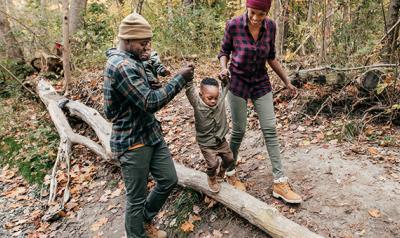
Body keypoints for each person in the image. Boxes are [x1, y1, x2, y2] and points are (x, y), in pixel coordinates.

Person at [103, 13, 195, 238]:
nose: (147, 47)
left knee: (168, 179)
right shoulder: (122, 65)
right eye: (143, 43)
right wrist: (180, 78)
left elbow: (135, 98)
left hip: (150, 134)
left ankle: (143, 220)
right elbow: (149, 102)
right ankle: (136, 233)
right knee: (136, 198)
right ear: (127, 40)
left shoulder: (135, 61)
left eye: (148, 42)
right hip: (132, 142)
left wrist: (151, 81)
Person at [218, 0, 302, 204]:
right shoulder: (234, 25)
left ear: (267, 13)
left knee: (270, 128)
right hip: (237, 81)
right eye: (253, 12)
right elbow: (224, 52)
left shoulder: (271, 26)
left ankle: (280, 183)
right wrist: (223, 68)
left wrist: (287, 81)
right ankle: (229, 172)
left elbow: (271, 57)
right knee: (239, 130)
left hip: (260, 82)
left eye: (261, 14)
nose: (256, 18)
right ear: (247, 7)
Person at [185, 77, 235, 193]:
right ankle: (211, 177)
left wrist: (225, 78)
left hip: (220, 140)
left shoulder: (220, 100)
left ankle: (222, 171)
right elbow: (189, 90)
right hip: (206, 143)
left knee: (230, 158)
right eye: (210, 98)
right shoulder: (197, 104)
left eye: (216, 98)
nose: (213, 101)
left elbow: (226, 85)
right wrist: (188, 77)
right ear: (201, 95)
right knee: (213, 164)